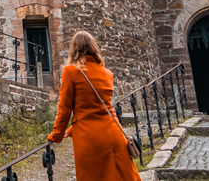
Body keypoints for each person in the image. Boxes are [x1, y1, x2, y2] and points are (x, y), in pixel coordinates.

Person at [46, 31, 140, 181]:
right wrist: (71, 130)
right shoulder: (107, 73)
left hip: (90, 138)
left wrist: (56, 135)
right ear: (93, 48)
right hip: (114, 134)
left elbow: (65, 109)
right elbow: (100, 108)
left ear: (74, 49)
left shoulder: (71, 71)